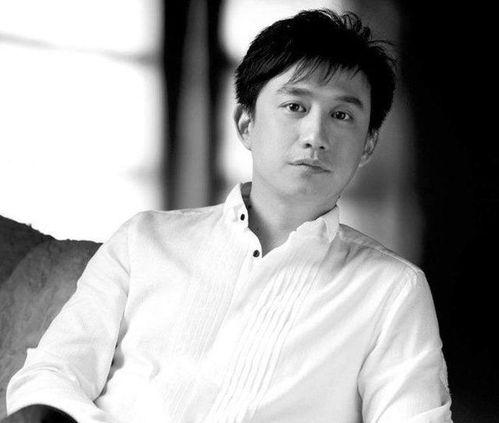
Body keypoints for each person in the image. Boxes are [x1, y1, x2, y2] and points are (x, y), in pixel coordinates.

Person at [5, 9, 452, 423]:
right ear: (245, 124)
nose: (316, 135)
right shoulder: (144, 240)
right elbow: (52, 375)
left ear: (368, 145)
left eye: (342, 115)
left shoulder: (392, 291)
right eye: (295, 106)